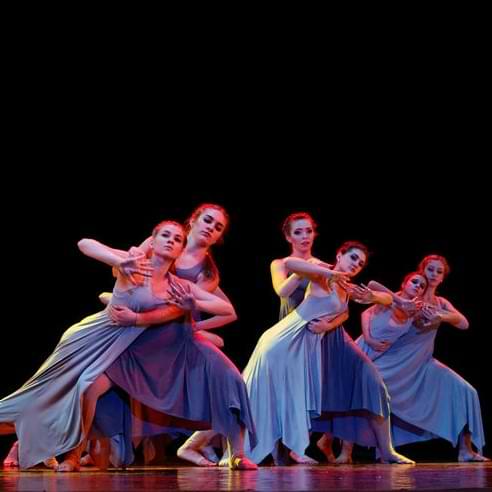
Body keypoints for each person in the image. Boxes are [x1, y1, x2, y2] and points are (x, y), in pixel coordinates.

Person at [0, 221, 186, 470]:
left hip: (115, 349)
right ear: (152, 240)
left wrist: (147, 316)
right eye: (165, 235)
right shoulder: (135, 265)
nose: (171, 240)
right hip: (87, 339)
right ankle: (39, 444)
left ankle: (64, 453)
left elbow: (219, 308)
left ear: (181, 249)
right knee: (38, 396)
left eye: (177, 239)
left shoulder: (176, 287)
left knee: (71, 398)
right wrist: (118, 261)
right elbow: (84, 244)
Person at [242, 240, 414, 465]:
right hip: (286, 339)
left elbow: (376, 302)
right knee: (260, 393)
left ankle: (278, 453)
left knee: (284, 396)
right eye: (353, 258)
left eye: (360, 263)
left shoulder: (345, 287)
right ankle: (236, 449)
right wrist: (326, 271)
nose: (356, 265)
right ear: (339, 255)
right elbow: (290, 262)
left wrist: (365, 303)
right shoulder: (322, 276)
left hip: (303, 346)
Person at [356, 256, 489, 462]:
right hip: (394, 362)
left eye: (439, 272)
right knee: (363, 392)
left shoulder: (440, 303)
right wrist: (373, 335)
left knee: (466, 391)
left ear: (443, 278)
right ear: (422, 271)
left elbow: (463, 323)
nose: (434, 274)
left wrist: (441, 316)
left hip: (422, 364)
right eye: (430, 269)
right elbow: (371, 304)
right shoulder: (406, 296)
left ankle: (466, 449)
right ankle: (358, 450)